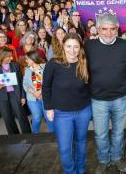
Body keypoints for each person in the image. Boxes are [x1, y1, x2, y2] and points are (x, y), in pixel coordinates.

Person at [85, 14, 126, 173]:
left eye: (112, 29)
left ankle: (117, 158)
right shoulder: (89, 46)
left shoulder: (124, 45)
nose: (108, 33)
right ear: (98, 29)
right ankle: (103, 160)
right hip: (98, 99)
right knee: (100, 134)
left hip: (121, 98)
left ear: (117, 29)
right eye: (104, 29)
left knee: (118, 132)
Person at [42, 33, 92, 174]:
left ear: (80, 48)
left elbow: (89, 86)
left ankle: (81, 170)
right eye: (69, 46)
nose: (72, 50)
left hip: (83, 111)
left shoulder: (84, 63)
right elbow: (45, 86)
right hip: (62, 113)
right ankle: (70, 171)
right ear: (63, 46)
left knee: (80, 143)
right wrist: (48, 108)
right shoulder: (53, 63)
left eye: (76, 47)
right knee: (65, 148)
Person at [0, 46, 31, 135]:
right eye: (9, 56)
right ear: (2, 56)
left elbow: (21, 81)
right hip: (1, 95)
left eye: (11, 56)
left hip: (15, 94)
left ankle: (28, 136)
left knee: (21, 116)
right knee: (8, 118)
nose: (11, 58)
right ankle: (13, 138)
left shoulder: (15, 65)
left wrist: (23, 96)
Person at [23, 50, 54, 133]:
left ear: (33, 58)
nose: (26, 61)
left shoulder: (45, 66)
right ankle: (35, 136)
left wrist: (40, 92)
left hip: (46, 96)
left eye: (27, 59)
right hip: (32, 98)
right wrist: (34, 93)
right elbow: (25, 84)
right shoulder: (27, 69)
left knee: (49, 117)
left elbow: (50, 81)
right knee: (36, 117)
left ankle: (53, 135)